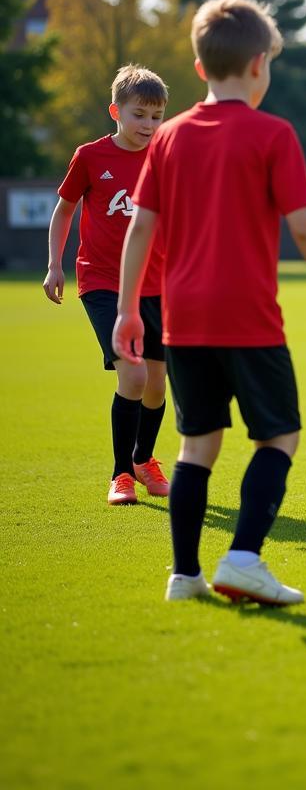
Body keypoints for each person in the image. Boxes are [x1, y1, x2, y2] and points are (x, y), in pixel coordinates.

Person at [113, 0, 306, 604]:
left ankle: (184, 575)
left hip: (182, 319)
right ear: (258, 65)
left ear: (199, 69)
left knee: (196, 445)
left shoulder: (167, 138)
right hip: (248, 318)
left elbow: (140, 226)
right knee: (278, 438)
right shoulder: (272, 133)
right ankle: (245, 558)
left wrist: (125, 309)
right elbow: (304, 225)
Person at [43, 65, 170, 506]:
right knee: (132, 375)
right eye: (139, 115)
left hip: (157, 286)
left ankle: (144, 459)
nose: (148, 126)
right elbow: (64, 211)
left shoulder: (166, 157)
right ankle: (121, 476)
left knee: (157, 384)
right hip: (101, 282)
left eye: (156, 117)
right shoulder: (91, 156)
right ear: (116, 111)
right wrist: (54, 265)